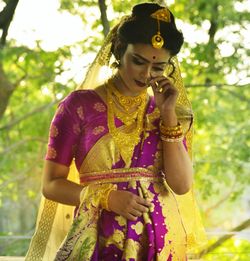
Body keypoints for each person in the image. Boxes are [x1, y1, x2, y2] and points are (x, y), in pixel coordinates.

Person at [25, 2, 207, 260]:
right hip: (97, 239)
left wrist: (167, 115)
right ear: (120, 51)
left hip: (160, 241)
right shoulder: (78, 106)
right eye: (138, 61)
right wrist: (105, 198)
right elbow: (51, 185)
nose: (146, 74)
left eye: (158, 67)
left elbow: (181, 185)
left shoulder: (168, 113)